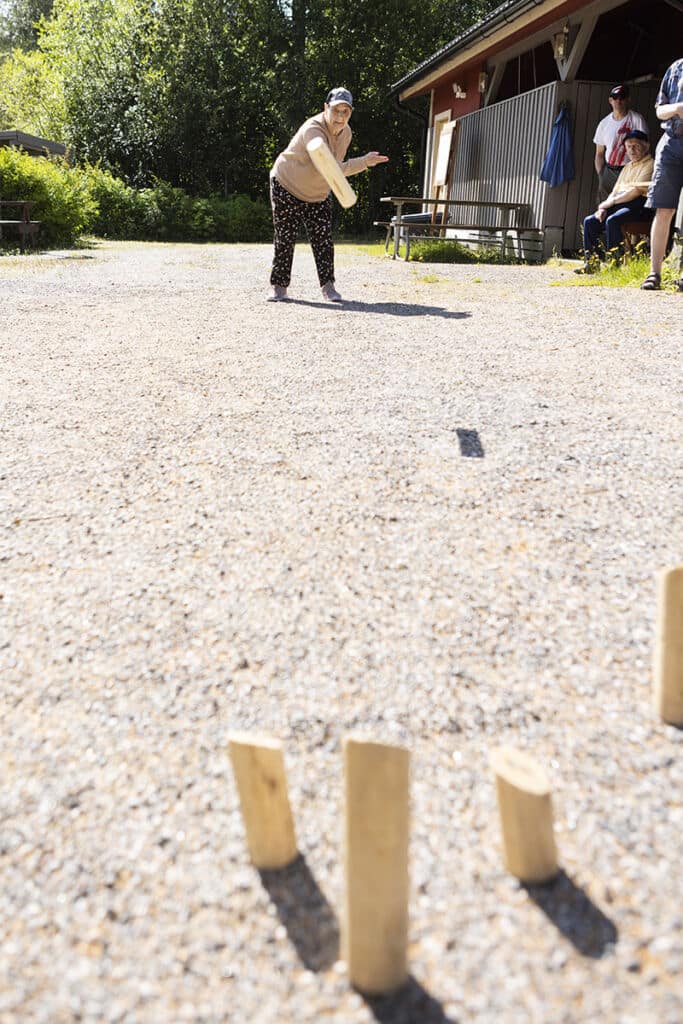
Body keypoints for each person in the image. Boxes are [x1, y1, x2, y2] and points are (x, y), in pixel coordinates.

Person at [267, 88, 388, 303]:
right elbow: (330, 167)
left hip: (317, 192)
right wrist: (363, 162)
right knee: (285, 237)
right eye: (336, 110)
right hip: (287, 183)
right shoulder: (313, 129)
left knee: (323, 239)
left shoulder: (347, 133)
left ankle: (328, 286)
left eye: (346, 112)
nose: (340, 117)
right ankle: (278, 287)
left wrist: (362, 162)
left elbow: (335, 168)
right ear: (326, 108)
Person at [577, 130, 653, 272]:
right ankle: (591, 264)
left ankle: (614, 265)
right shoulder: (627, 167)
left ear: (646, 146)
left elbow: (635, 191)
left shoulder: (650, 164)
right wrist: (602, 208)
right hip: (620, 202)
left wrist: (609, 204)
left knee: (613, 220)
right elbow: (615, 191)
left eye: (636, 146)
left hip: (640, 205)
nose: (632, 150)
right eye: (629, 146)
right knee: (590, 221)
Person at [641, 58, 683, 291]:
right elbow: (659, 109)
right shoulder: (675, 68)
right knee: (664, 209)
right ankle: (654, 273)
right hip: (671, 145)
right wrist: (677, 109)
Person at [593, 84, 648, 203]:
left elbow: (645, 147)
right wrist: (601, 175)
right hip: (609, 170)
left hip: (629, 169)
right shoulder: (604, 123)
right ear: (610, 100)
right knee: (603, 205)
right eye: (615, 97)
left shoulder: (637, 119)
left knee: (625, 205)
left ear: (628, 100)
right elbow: (599, 153)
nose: (619, 101)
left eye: (622, 97)